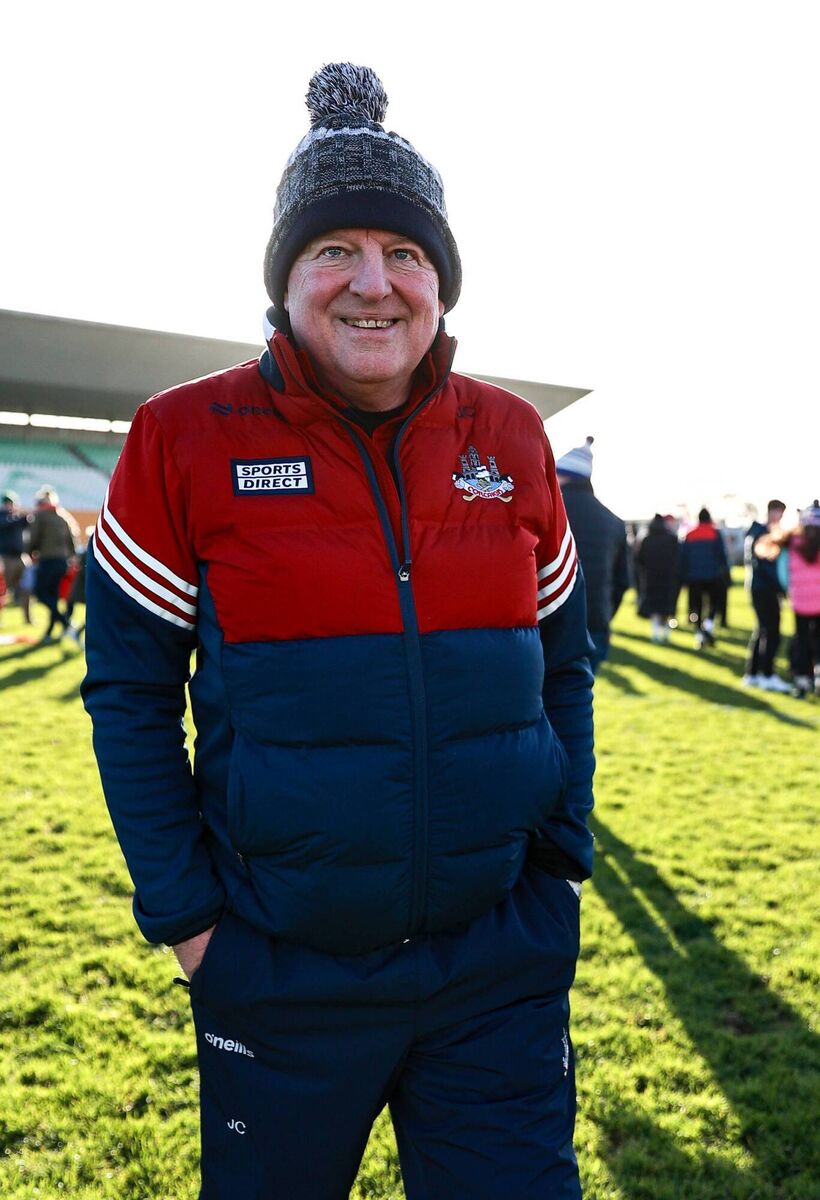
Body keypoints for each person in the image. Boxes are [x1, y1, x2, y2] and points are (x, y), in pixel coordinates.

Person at [82, 63, 595, 1200]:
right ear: (284, 278)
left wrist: (559, 868)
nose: (374, 282)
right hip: (280, 976)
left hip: (499, 970)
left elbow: (565, 665)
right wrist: (193, 925)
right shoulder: (181, 436)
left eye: (405, 252)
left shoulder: (512, 436)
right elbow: (128, 692)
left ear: (441, 281)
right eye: (334, 250)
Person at [555, 435, 629, 671]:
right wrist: (605, 614)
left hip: (552, 621)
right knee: (583, 688)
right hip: (595, 621)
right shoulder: (613, 522)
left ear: (564, 475)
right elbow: (623, 581)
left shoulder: (549, 513)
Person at [756, 501, 820, 698]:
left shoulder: (792, 541)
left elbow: (783, 571)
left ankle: (802, 680)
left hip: (800, 603)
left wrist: (790, 590)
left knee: (802, 640)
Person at [742, 499, 792, 691]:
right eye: (780, 513)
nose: (781, 517)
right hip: (765, 589)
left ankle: (753, 673)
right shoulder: (761, 534)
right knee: (771, 631)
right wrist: (782, 585)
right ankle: (767, 674)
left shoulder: (759, 532)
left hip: (761, 588)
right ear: (772, 511)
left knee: (762, 630)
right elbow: (764, 565)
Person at [28, 486, 80, 643]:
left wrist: (29, 552)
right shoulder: (63, 516)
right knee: (53, 596)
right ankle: (49, 632)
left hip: (47, 560)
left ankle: (66, 624)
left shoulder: (40, 516)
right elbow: (73, 540)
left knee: (41, 594)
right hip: (62, 562)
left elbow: (33, 538)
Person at [678, 507, 729, 650]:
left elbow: (683, 558)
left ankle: (699, 634)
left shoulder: (689, 534)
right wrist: (725, 573)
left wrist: (683, 576)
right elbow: (722, 556)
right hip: (713, 576)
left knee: (696, 607)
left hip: (694, 578)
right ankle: (708, 627)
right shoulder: (715, 533)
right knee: (713, 604)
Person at [635, 513, 679, 642]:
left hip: (651, 578)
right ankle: (666, 634)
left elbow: (639, 559)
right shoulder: (672, 539)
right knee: (666, 607)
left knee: (654, 607)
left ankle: (655, 633)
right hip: (668, 578)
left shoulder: (646, 540)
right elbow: (678, 558)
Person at [0, 490, 31, 606]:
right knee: (5, 586)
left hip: (21, 556)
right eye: (7, 503)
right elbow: (6, 523)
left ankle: (23, 611)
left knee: (25, 586)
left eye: (11, 503)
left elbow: (29, 523)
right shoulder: (3, 516)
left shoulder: (17, 517)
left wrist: (26, 516)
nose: (9, 506)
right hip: (6, 557)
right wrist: (20, 516)